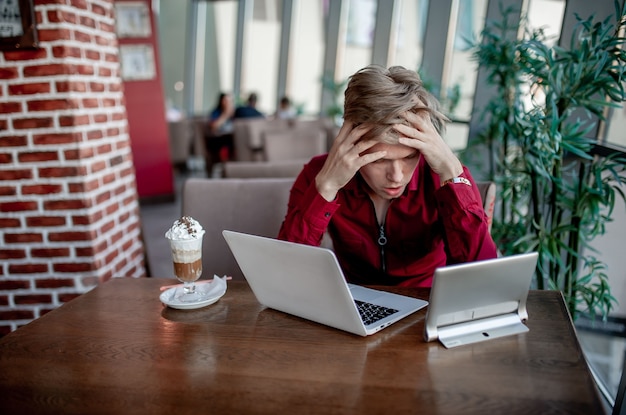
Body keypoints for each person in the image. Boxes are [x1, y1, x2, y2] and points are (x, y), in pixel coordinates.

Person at [278, 65, 498, 287]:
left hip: (426, 301)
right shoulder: (321, 174)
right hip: (354, 299)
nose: (396, 176)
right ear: (350, 142)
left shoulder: (444, 177)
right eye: (378, 160)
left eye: (409, 157)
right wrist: (326, 188)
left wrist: (453, 174)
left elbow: (482, 277)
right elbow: (287, 270)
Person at [205, 92, 235, 174]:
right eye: (225, 100)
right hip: (218, 139)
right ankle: (226, 168)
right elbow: (214, 126)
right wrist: (225, 115)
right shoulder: (216, 112)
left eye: (230, 101)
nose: (227, 103)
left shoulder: (236, 113)